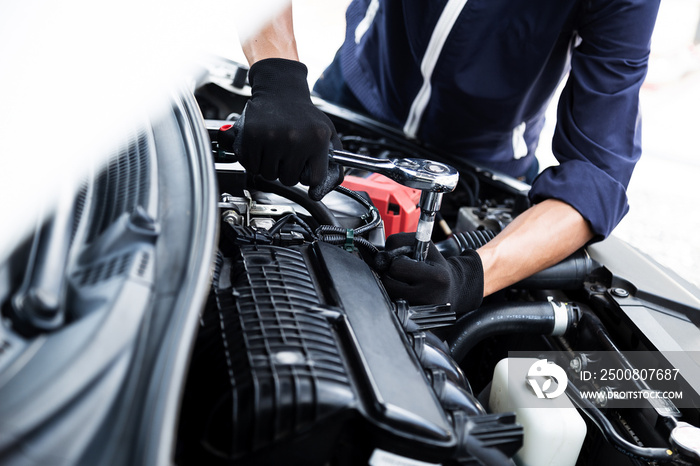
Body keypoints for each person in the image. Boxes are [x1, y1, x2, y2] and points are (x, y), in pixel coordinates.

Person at [237, 0, 660, 313]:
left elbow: (598, 173)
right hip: (351, 102)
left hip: (485, 161)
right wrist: (278, 76)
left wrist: (472, 274)